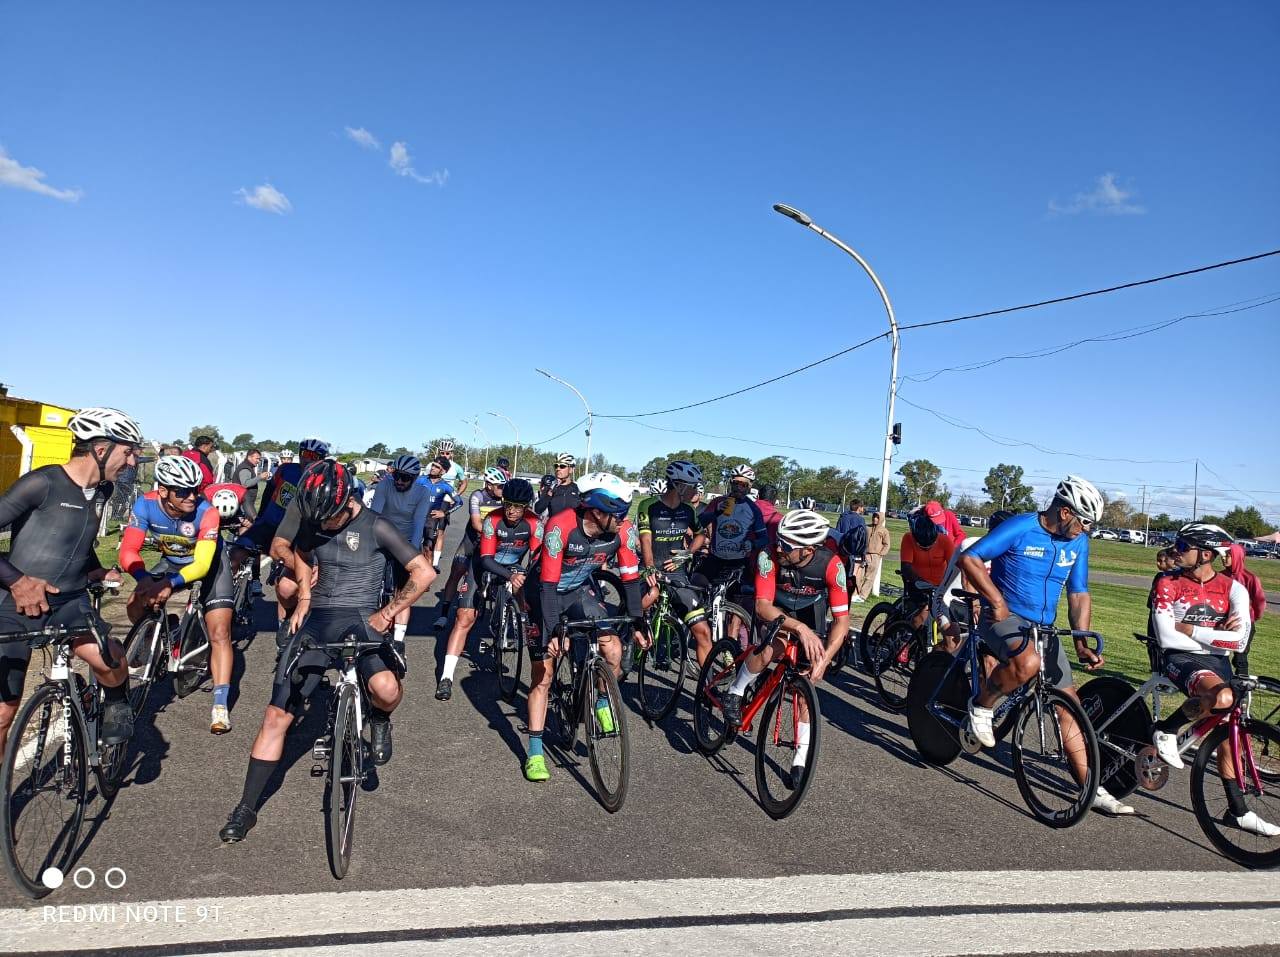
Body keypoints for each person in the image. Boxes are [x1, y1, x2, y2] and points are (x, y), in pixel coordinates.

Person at [219, 460, 433, 843]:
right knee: (276, 716)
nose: (324, 525)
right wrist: (304, 594)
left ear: (348, 501)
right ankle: (246, 806)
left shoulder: (377, 525)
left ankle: (380, 719)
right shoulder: (316, 517)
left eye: (331, 518)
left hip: (362, 619)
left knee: (386, 689)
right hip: (318, 620)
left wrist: (388, 613)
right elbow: (299, 551)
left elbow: (424, 572)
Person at [957, 475, 1121, 815]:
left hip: (1043, 628)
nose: (1087, 530)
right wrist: (995, 600)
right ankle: (982, 707)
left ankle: (1091, 787)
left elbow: (1078, 593)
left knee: (1069, 707)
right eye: (1085, 522)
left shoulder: (1078, 542)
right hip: (1003, 618)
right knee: (1027, 663)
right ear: (1065, 512)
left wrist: (1081, 640)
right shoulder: (1022, 527)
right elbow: (970, 559)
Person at [0, 407, 140, 756]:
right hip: (16, 604)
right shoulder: (43, 483)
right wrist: (17, 581)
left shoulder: (104, 490)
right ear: (101, 449)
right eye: (128, 452)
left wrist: (96, 568)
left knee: (112, 660)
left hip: (71, 601)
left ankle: (116, 702)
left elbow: (75, 538)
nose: (132, 462)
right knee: (3, 713)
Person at [1147, 523, 1275, 836]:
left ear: (1206, 554)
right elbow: (1166, 637)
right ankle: (1167, 729)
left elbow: (1240, 642)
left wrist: (1190, 629)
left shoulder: (1234, 588)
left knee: (1230, 734)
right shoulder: (1167, 582)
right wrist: (1218, 635)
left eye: (1183, 546)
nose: (1175, 551)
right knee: (1223, 697)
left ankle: (1238, 811)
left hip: (1217, 661)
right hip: (1179, 658)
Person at [522, 472, 647, 782]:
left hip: (579, 590)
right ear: (598, 511)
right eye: (619, 513)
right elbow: (548, 586)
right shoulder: (560, 526)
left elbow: (631, 578)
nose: (624, 519)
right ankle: (535, 752)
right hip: (543, 592)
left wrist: (637, 620)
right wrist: (554, 630)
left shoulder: (623, 531)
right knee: (543, 675)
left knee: (613, 650)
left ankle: (601, 700)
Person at [723, 510, 848, 773]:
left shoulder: (832, 564)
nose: (779, 547)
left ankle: (800, 760)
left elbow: (842, 621)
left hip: (810, 609)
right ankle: (735, 691)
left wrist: (824, 659)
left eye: (787, 546)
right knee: (775, 646)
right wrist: (799, 629)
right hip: (776, 606)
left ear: (809, 550)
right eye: (779, 540)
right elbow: (762, 607)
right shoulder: (769, 555)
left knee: (805, 687)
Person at [120, 455, 238, 733]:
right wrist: (144, 579)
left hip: (210, 567)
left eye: (195, 489)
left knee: (220, 632)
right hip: (172, 561)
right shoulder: (145, 504)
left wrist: (168, 584)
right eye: (183, 491)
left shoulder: (207, 512)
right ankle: (158, 635)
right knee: (135, 600)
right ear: (163, 491)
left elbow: (202, 565)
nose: (192, 497)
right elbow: (128, 551)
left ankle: (220, 705)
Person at [436, 478, 541, 700]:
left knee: (527, 589)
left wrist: (525, 576)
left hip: (512, 566)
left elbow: (537, 557)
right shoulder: (493, 519)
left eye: (518, 507)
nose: (511, 511)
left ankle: (520, 621)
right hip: (483, 564)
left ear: (527, 506)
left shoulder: (534, 522)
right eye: (508, 504)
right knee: (464, 618)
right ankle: (446, 677)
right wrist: (511, 575)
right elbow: (485, 559)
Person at [233, 437, 328, 613]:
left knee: (285, 584)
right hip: (270, 523)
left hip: (294, 533)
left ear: (322, 459)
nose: (307, 459)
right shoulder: (286, 469)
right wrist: (259, 517)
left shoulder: (322, 481)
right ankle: (222, 595)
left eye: (314, 456)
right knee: (235, 553)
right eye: (305, 454)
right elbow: (269, 491)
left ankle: (286, 616)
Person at [637, 461, 713, 666]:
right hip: (650, 566)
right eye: (693, 487)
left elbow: (700, 535)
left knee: (703, 632)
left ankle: (707, 683)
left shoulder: (688, 510)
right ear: (679, 486)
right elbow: (645, 540)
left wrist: (686, 554)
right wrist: (650, 567)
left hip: (677, 572)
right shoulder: (648, 505)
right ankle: (628, 635)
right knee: (649, 597)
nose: (697, 491)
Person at [369, 454, 436, 646]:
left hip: (404, 541)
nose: (399, 481)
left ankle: (398, 640)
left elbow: (418, 524)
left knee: (403, 591)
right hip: (381, 536)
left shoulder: (422, 492)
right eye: (396, 475)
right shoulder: (384, 485)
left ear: (414, 477)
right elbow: (374, 515)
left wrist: (412, 557)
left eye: (405, 478)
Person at [434, 466, 507, 628]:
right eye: (500, 486)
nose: (503, 489)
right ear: (489, 485)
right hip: (472, 541)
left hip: (493, 542)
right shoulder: (477, 496)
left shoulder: (504, 499)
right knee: (457, 572)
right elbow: (476, 524)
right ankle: (444, 614)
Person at [693, 464, 768, 603]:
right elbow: (698, 524)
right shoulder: (718, 502)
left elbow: (764, 538)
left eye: (743, 484)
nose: (738, 487)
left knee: (737, 598)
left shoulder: (753, 509)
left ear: (750, 486)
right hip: (715, 557)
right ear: (730, 483)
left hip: (739, 561)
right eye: (735, 483)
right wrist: (716, 512)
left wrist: (752, 544)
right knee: (696, 582)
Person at [899, 509, 956, 628]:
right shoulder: (908, 538)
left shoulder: (945, 541)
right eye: (921, 546)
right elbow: (906, 566)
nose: (926, 549)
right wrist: (921, 582)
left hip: (939, 586)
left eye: (930, 546)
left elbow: (954, 566)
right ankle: (909, 634)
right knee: (925, 609)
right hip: (916, 582)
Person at [1222, 541, 1267, 676]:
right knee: (1219, 654)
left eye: (1228, 555)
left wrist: (1253, 617)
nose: (1224, 558)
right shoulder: (1220, 576)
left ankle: (1242, 684)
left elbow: (1259, 601)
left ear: (1237, 556)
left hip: (1244, 623)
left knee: (1240, 657)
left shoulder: (1250, 578)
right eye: (1223, 555)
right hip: (1223, 622)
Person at [416, 456, 457, 571]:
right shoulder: (420, 480)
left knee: (428, 550)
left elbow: (459, 502)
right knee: (412, 547)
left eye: (437, 467)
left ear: (443, 471)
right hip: (416, 517)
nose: (433, 468)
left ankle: (428, 574)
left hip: (431, 521)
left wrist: (444, 512)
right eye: (433, 465)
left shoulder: (446, 486)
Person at [835, 499, 868, 602]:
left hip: (841, 550)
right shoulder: (860, 520)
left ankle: (839, 591)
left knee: (840, 573)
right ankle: (851, 595)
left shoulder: (842, 517)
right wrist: (863, 553)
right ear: (859, 508)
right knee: (853, 575)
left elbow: (837, 533)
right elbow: (863, 538)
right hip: (854, 552)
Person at [858, 510, 891, 602]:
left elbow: (887, 544)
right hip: (864, 554)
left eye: (877, 517)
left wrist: (880, 554)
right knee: (859, 575)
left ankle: (863, 596)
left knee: (870, 577)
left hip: (874, 556)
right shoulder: (867, 527)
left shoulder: (884, 531)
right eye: (874, 517)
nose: (875, 519)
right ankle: (855, 593)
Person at [536, 452, 580, 517]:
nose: (558, 469)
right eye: (556, 466)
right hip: (554, 523)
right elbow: (538, 509)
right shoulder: (550, 487)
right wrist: (549, 493)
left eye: (562, 466)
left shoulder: (577, 488)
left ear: (571, 469)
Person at [233, 449, 271, 522]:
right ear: (249, 457)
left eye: (259, 459)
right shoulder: (245, 468)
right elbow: (245, 484)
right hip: (244, 501)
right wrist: (260, 477)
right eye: (257, 458)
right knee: (254, 522)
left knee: (248, 523)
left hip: (246, 501)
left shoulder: (247, 466)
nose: (258, 461)